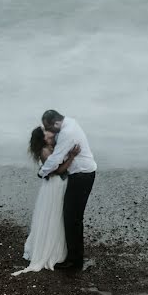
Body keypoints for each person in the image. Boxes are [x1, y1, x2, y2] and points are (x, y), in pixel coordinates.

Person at [12, 128, 80, 276]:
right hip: (54, 186)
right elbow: (58, 171)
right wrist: (72, 157)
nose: (49, 132)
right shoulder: (44, 151)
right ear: (42, 138)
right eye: (46, 132)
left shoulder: (52, 147)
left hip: (59, 184)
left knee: (60, 215)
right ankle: (52, 250)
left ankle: (61, 247)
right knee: (54, 215)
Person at [39, 109, 97, 271]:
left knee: (73, 219)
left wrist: (42, 172)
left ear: (57, 123)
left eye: (50, 127)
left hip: (82, 176)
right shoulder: (70, 122)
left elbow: (56, 158)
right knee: (72, 218)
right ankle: (74, 257)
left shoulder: (67, 132)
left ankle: (75, 261)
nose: (50, 131)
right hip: (81, 174)